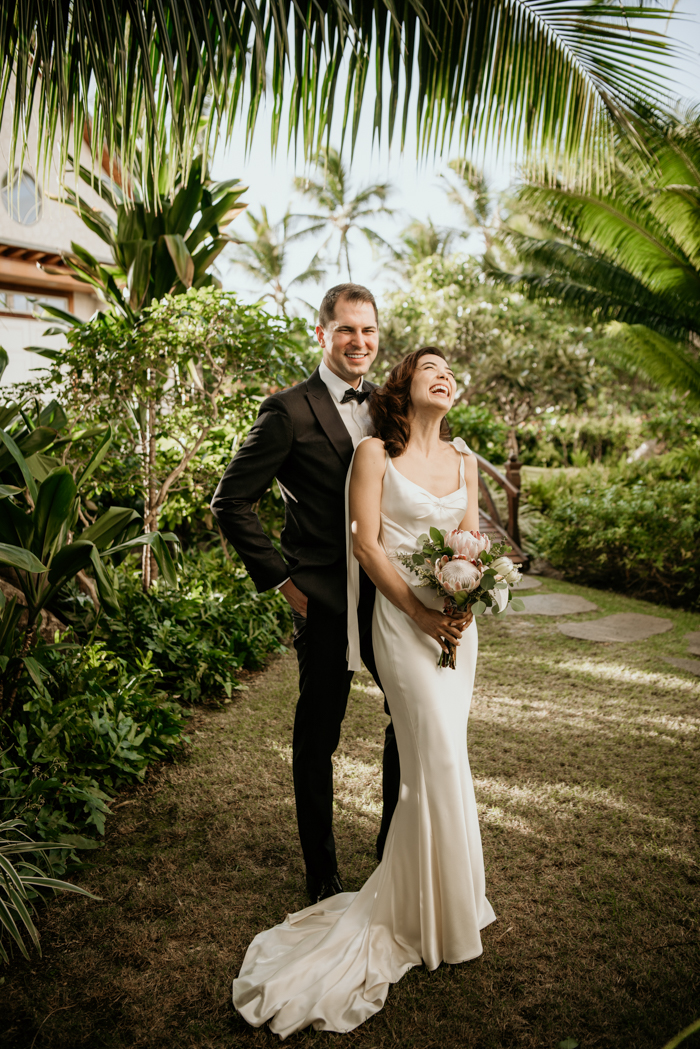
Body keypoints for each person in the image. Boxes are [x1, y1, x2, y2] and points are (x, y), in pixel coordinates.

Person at [232, 346, 497, 1038]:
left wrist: (467, 592)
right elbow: (366, 542)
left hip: (454, 626)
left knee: (439, 756)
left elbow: (469, 538)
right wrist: (417, 608)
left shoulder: (467, 460)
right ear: (404, 386)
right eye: (429, 364)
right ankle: (363, 887)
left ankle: (441, 894)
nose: (444, 373)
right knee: (380, 741)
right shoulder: (365, 447)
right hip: (387, 613)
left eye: (450, 366)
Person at [211, 283, 400, 904]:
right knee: (319, 735)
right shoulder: (287, 410)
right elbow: (231, 500)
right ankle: (321, 871)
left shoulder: (388, 408)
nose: (359, 342)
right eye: (346, 329)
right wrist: (284, 582)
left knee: (411, 717)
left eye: (368, 330)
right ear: (321, 334)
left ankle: (393, 851)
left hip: (390, 596)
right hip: (321, 598)